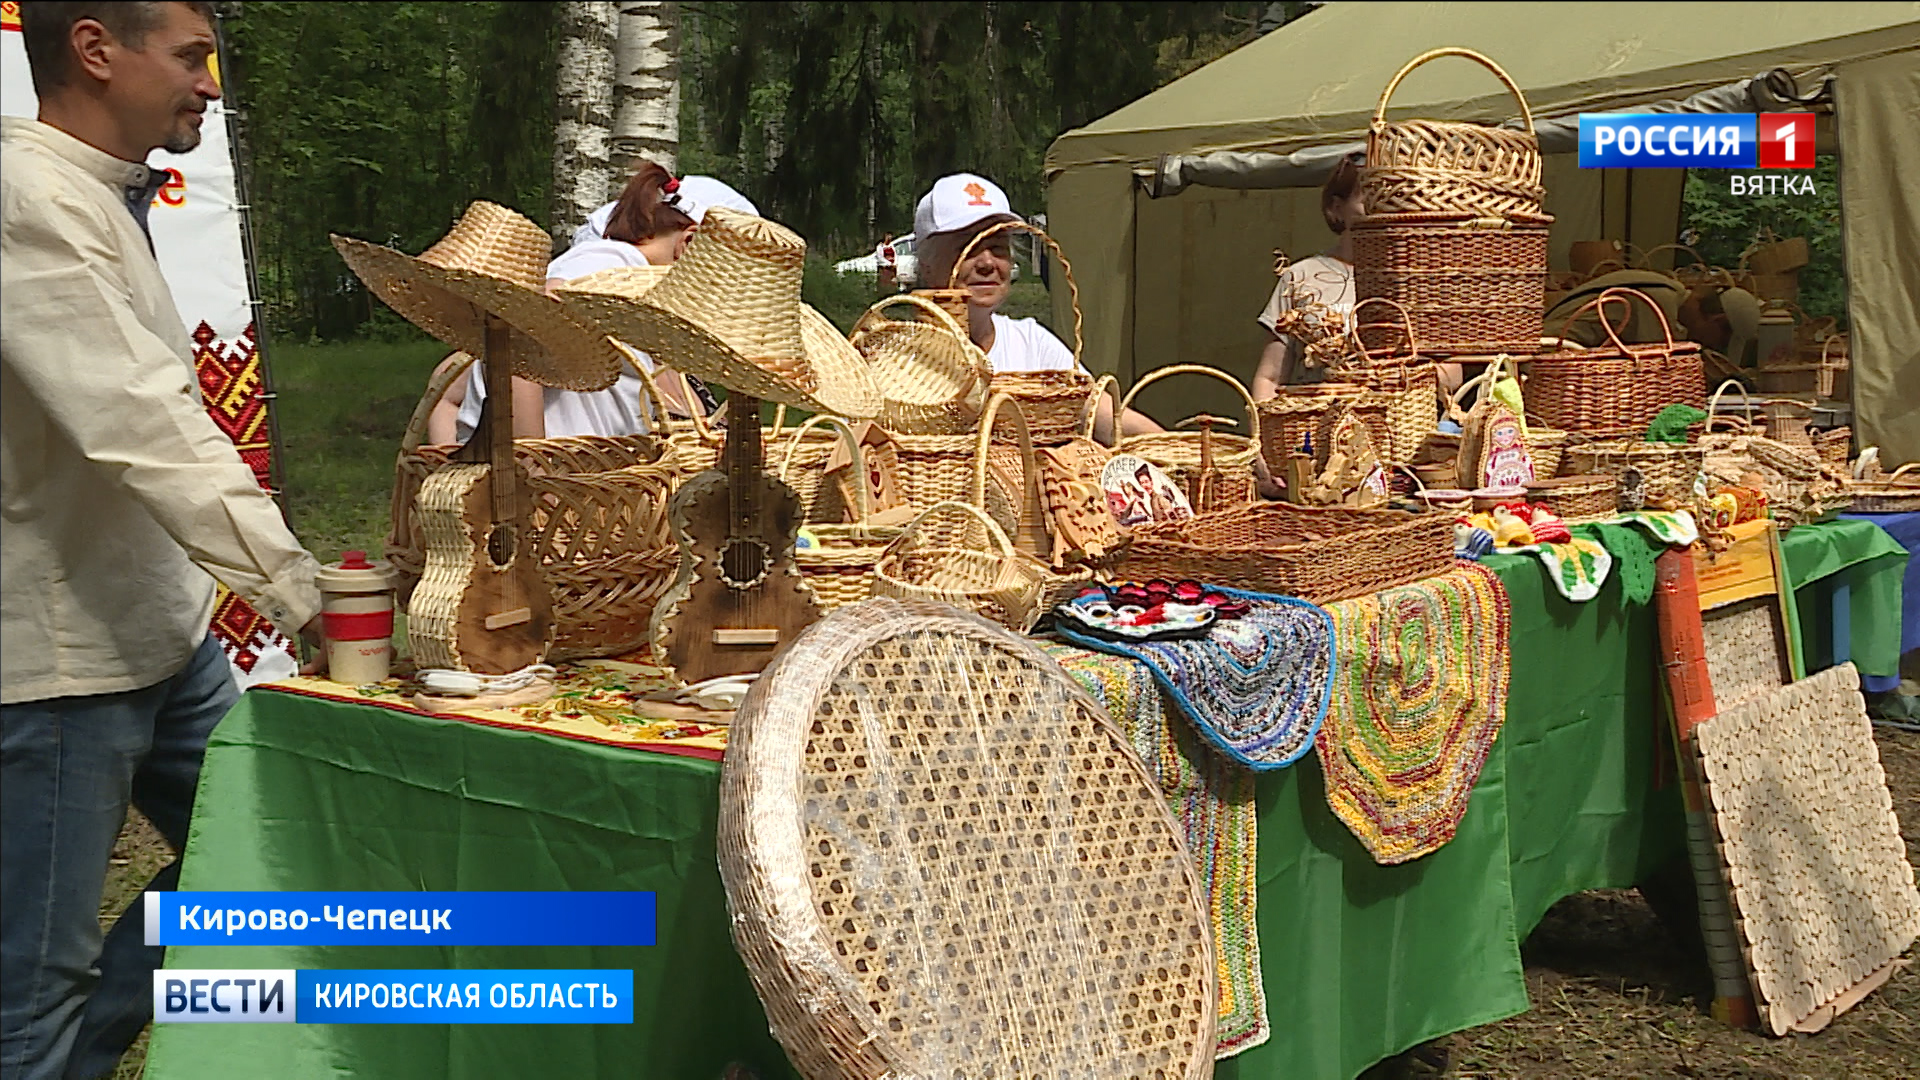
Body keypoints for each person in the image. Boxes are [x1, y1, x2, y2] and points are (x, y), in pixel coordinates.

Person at [2, 5, 330, 1078]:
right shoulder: (26, 198)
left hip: (157, 629)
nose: (211, 84)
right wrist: (305, 590)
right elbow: (141, 425)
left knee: (264, 861)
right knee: (32, 989)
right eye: (192, 58)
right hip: (55, 666)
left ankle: (90, 1046)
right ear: (97, 51)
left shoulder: (91, 194)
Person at [424, 168, 756, 445]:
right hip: (551, 503)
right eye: (721, 278)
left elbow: (448, 381)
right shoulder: (607, 269)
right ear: (689, 243)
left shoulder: (619, 279)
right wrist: (532, 476)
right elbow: (519, 339)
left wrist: (444, 470)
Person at [911, 172, 1162, 444]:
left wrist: (1177, 448)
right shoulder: (899, 358)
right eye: (967, 248)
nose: (987, 263)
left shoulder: (1031, 344)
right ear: (926, 263)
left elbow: (1106, 419)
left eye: (997, 247)